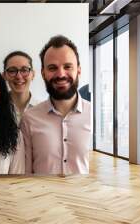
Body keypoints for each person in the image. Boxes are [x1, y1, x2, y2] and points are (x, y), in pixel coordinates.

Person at [20, 35, 91, 175]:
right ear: (43, 73)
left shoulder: (92, 115)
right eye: (52, 68)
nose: (61, 74)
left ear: (79, 70)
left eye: (67, 66)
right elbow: (26, 174)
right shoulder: (29, 118)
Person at [2, 51, 39, 123]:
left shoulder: (43, 110)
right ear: (4, 76)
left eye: (24, 70)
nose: (19, 76)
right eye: (12, 71)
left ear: (33, 74)